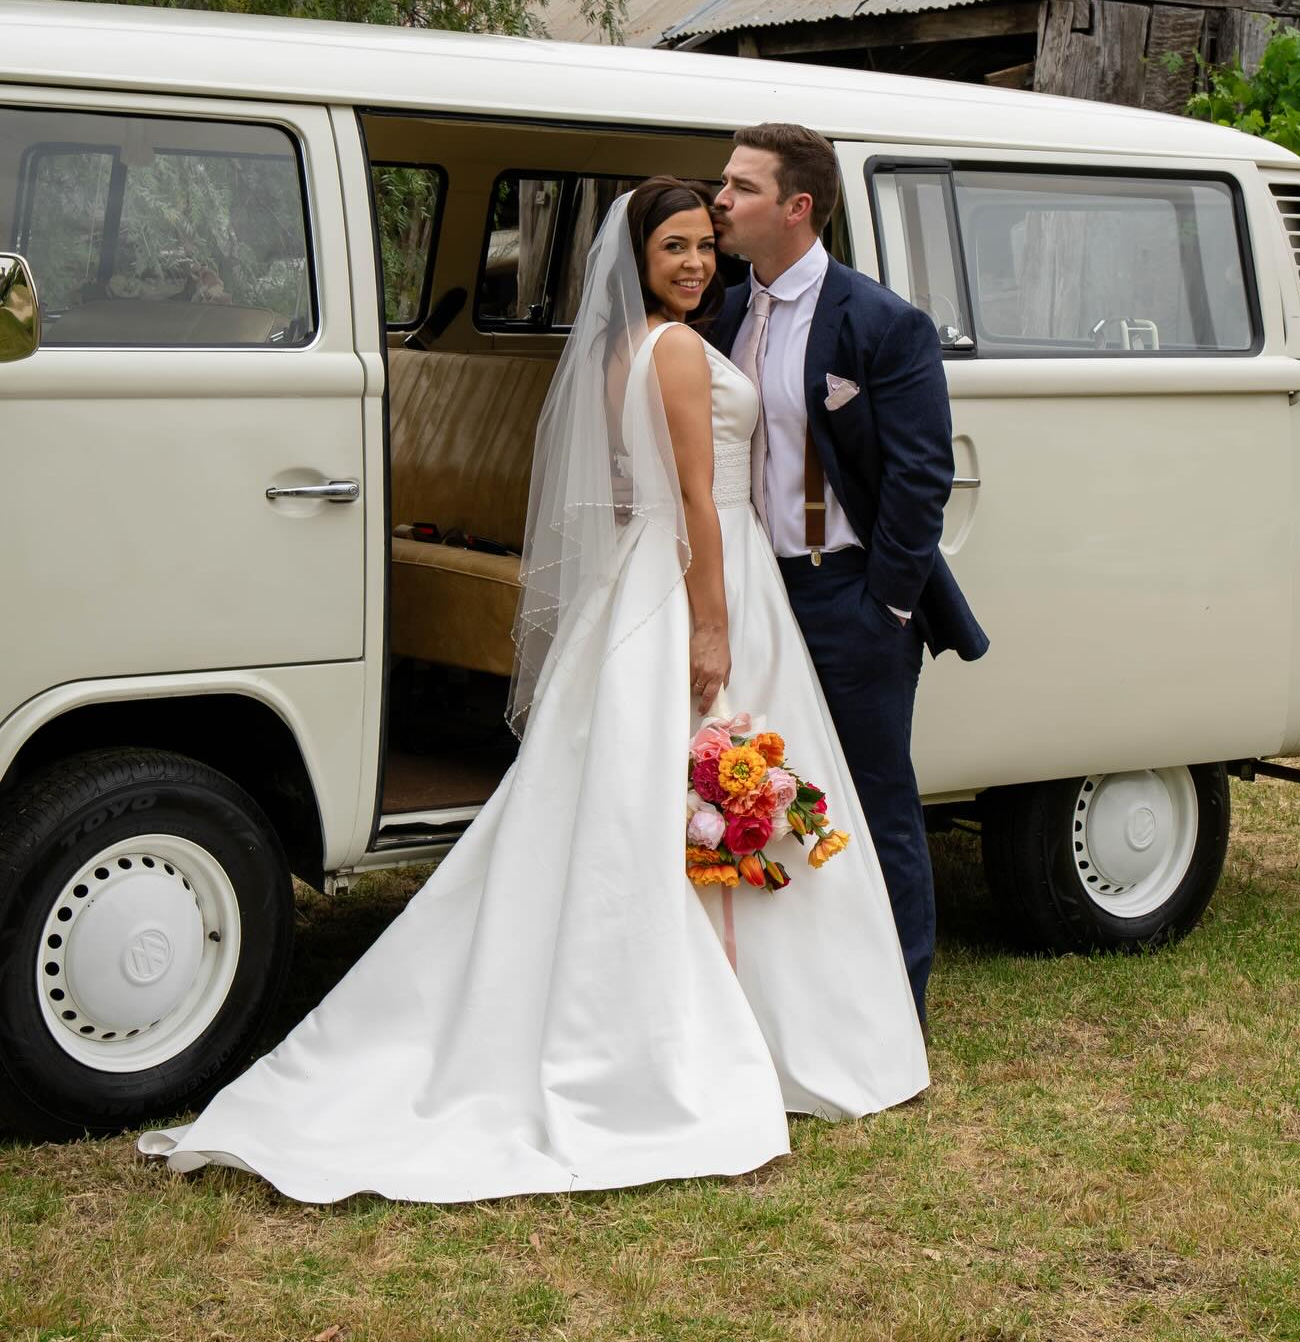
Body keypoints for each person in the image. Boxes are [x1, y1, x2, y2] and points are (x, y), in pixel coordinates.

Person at [138, 178, 927, 1203]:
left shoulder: (618, 348)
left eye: (704, 246)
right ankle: (752, 1024)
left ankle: (740, 1007)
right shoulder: (682, 349)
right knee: (699, 788)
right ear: (636, 259)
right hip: (703, 566)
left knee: (640, 798)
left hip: (644, 576)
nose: (695, 264)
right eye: (674, 248)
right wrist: (715, 621)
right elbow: (694, 497)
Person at [708, 127, 989, 1027]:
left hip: (846, 594)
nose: (720, 201)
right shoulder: (718, 314)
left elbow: (920, 475)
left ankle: (895, 1009)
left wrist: (889, 606)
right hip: (752, 596)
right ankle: (788, 1002)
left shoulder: (879, 321)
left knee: (873, 800)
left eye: (741, 188)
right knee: (758, 793)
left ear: (797, 208)